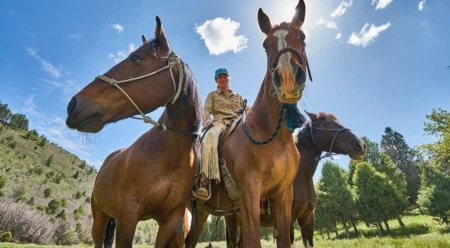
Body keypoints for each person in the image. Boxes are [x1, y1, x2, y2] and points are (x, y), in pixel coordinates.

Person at [194, 68, 248, 199]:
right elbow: (206, 110)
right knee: (209, 138)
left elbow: (248, 109)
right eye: (220, 77)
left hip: (238, 123)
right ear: (216, 80)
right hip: (220, 123)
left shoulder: (238, 96)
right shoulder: (212, 95)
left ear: (229, 78)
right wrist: (206, 120)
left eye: (225, 76)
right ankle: (204, 181)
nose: (223, 79)